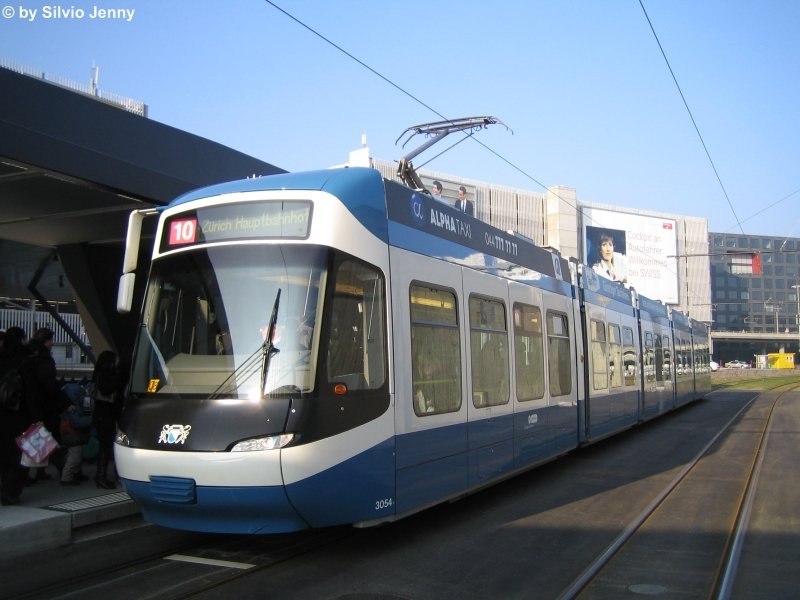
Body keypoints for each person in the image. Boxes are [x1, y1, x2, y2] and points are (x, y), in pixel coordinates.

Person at [25, 327, 69, 483]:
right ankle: (64, 470)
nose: (52, 343)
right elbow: (49, 384)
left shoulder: (28, 354)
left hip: (30, 405)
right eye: (51, 340)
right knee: (52, 439)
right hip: (46, 406)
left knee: (34, 438)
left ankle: (34, 472)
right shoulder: (44, 358)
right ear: (46, 341)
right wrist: (65, 402)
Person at [0, 327, 31, 505]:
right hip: (18, 416)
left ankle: (6, 488)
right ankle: (10, 491)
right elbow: (32, 393)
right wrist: (37, 417)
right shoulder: (24, 362)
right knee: (19, 456)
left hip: (2, 416)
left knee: (5, 456)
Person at [91, 350, 124, 489]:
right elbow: (106, 390)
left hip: (101, 415)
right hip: (106, 415)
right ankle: (101, 475)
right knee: (106, 446)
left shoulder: (98, 374)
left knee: (104, 446)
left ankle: (101, 475)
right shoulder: (109, 376)